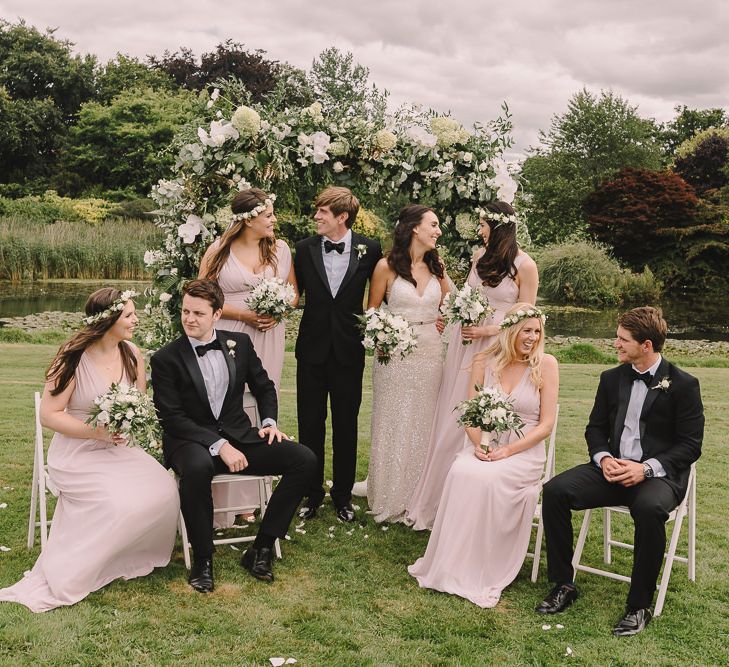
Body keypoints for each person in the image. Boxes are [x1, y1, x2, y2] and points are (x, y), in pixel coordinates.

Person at [0, 289, 179, 613]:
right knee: (117, 501)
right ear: (108, 320)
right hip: (77, 452)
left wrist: (131, 424)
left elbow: (138, 402)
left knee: (164, 488)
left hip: (118, 448)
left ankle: (128, 557)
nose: (136, 319)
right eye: (129, 315)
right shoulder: (72, 357)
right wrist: (95, 432)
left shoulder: (131, 353)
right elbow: (49, 414)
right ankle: (76, 569)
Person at [536, 306, 704, 637]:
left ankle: (638, 605)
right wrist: (603, 458)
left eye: (623, 339)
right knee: (555, 491)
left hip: (657, 476)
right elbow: (595, 429)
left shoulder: (684, 384)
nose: (616, 344)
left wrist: (645, 469)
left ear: (647, 345)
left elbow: (690, 445)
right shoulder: (611, 379)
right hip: (610, 470)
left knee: (649, 508)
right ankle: (563, 584)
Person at [150, 279, 316, 592]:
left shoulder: (238, 343)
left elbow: (264, 387)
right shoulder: (165, 359)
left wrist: (268, 422)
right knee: (198, 469)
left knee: (304, 460)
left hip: (241, 437)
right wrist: (218, 445)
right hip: (189, 443)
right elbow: (172, 418)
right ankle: (202, 559)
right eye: (185, 311)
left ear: (217, 314)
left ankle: (261, 548)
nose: (189, 318)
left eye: (198, 313)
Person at [409, 304, 558, 608]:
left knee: (487, 479)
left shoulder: (547, 365)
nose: (532, 337)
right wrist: (480, 445)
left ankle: (483, 566)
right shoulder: (484, 361)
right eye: (526, 330)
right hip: (486, 445)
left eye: (537, 331)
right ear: (511, 330)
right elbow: (468, 415)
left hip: (524, 452)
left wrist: (508, 450)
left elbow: (546, 425)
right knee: (462, 470)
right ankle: (450, 563)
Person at [405, 201, 539, 530]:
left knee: (487, 415)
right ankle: (438, 503)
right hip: (468, 344)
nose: (479, 230)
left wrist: (490, 329)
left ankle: (477, 505)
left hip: (499, 347)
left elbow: (527, 317)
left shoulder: (526, 265)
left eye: (483, 224)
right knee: (455, 412)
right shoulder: (479, 257)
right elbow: (467, 293)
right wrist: (452, 315)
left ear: (499, 226)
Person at [199, 187, 298, 526]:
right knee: (230, 408)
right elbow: (200, 298)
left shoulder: (281, 250)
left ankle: (251, 499)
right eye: (268, 214)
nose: (274, 220)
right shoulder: (219, 251)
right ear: (249, 219)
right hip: (228, 335)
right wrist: (243, 315)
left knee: (262, 407)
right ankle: (221, 495)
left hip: (268, 337)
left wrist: (277, 306)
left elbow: (294, 295)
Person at [294, 186, 382, 523]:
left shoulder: (370, 249)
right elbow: (292, 293)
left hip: (348, 351)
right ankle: (311, 493)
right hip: (311, 351)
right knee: (310, 425)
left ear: (341, 217)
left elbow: (382, 291)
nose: (316, 217)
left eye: (322, 212)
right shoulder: (303, 249)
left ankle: (343, 496)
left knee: (346, 426)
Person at [365, 205, 450, 522]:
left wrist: (443, 319)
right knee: (393, 420)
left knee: (423, 424)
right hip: (394, 357)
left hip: (430, 354)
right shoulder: (385, 267)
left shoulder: (437, 266)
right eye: (434, 224)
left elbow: (453, 306)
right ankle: (389, 495)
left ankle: (419, 496)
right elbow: (371, 313)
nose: (438, 231)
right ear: (415, 228)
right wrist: (382, 336)